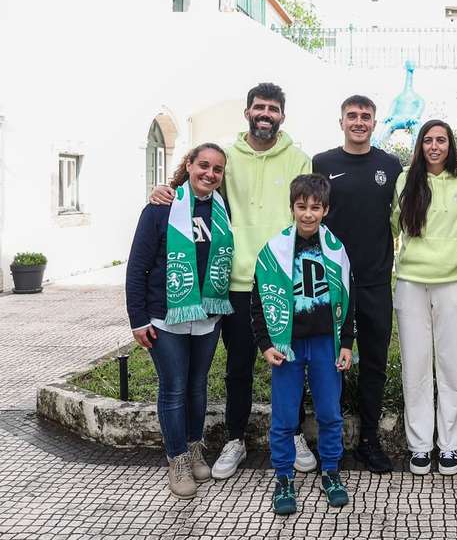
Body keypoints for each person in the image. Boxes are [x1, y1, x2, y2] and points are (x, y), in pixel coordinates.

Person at [149, 83, 316, 479]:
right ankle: (235, 439)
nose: (265, 114)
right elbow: (197, 188)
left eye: (273, 108)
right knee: (238, 367)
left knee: (289, 363)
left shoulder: (300, 159)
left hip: (282, 282)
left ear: (282, 116)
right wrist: (166, 190)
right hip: (235, 283)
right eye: (259, 107)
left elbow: (308, 217)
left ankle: (291, 434)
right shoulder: (229, 158)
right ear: (247, 113)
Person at [126, 143, 234, 499]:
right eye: (203, 165)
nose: (209, 174)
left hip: (207, 315)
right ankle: (177, 460)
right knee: (173, 387)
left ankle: (194, 446)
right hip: (165, 315)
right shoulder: (160, 208)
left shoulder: (222, 208)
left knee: (198, 385)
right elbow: (138, 266)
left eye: (217, 169)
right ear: (189, 165)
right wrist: (138, 319)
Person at [251, 174, 355, 513]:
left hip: (326, 342)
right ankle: (283, 477)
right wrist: (266, 343)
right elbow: (258, 301)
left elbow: (349, 301)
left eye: (315, 207)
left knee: (329, 412)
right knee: (283, 416)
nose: (308, 214)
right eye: (301, 207)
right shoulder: (274, 250)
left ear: (325, 209)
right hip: (288, 344)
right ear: (292, 208)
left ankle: (331, 471)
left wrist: (347, 344)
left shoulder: (337, 250)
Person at [312, 95, 402, 473]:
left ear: (375, 122)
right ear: (342, 121)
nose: (359, 122)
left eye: (366, 116)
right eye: (353, 116)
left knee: (375, 363)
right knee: (325, 362)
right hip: (331, 283)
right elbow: (309, 212)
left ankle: (369, 439)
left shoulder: (390, 165)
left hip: (375, 281)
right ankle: (326, 440)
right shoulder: (323, 163)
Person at [391, 119, 457, 476]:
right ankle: (420, 445)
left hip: (452, 280)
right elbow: (394, 225)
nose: (434, 146)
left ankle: (450, 444)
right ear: (420, 145)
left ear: (450, 145)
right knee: (416, 364)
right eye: (428, 140)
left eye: (441, 140)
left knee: (452, 364)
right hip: (410, 281)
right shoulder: (406, 178)